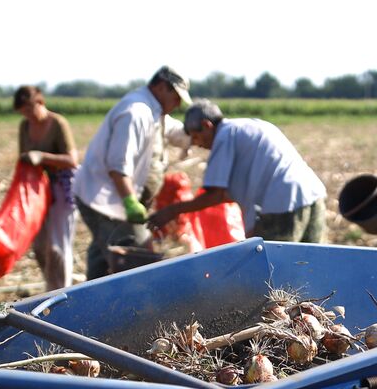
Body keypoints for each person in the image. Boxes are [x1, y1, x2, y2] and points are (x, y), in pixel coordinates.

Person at [147, 99, 326, 243]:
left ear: (207, 125)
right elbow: (229, 194)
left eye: (196, 136)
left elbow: (215, 195)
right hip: (312, 196)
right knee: (315, 268)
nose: (198, 144)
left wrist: (171, 211)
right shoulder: (250, 127)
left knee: (276, 276)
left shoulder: (224, 137)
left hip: (282, 206)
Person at [73, 66, 192, 279]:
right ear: (162, 87)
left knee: (104, 255)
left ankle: (92, 301)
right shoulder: (136, 112)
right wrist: (130, 202)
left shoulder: (154, 110)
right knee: (139, 256)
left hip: (115, 199)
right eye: (176, 96)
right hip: (108, 201)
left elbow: (174, 131)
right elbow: (118, 167)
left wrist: (202, 133)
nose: (178, 104)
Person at [13, 85, 79, 291]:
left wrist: (42, 157)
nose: (28, 116)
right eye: (23, 113)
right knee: (40, 245)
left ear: (40, 103)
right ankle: (51, 286)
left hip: (62, 186)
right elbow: (23, 157)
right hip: (37, 190)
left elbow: (72, 160)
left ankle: (62, 292)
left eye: (30, 110)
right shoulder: (25, 127)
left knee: (57, 246)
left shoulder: (58, 123)